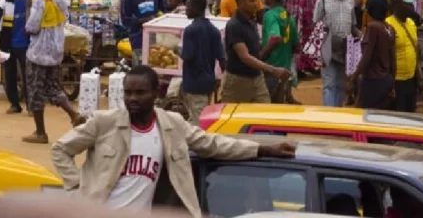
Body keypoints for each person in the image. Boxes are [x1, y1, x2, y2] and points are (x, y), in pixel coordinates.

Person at [50, 65, 295, 216]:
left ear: (155, 94)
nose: (132, 98)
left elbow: (213, 144)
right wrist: (75, 189)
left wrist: (262, 149)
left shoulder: (172, 125)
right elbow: (61, 150)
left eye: (140, 92)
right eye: (128, 92)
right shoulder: (103, 123)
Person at [23, 0, 85, 143]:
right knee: (52, 87)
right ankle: (73, 114)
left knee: (36, 91)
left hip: (38, 52)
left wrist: (28, 10)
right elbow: (64, 19)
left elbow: (31, 27)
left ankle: (40, 132)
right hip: (55, 51)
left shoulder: (38, 1)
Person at [221, 0, 290, 103]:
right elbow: (245, 57)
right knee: (234, 116)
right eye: (252, 1)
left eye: (256, 0)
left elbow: (255, 51)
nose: (256, 4)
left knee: (264, 115)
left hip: (257, 78)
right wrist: (272, 70)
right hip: (237, 81)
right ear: (240, 3)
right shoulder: (234, 25)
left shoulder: (252, 22)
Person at [314, 0, 359, 107]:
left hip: (346, 47)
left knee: (340, 83)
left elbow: (353, 25)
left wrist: (360, 36)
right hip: (328, 46)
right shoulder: (322, 1)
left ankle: (337, 111)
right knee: (329, 82)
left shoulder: (350, 1)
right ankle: (328, 113)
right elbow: (315, 24)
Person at [180, 0, 225, 122]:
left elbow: (187, 56)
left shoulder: (190, 30)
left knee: (199, 119)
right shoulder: (214, 30)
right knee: (199, 113)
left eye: (188, 7)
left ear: (196, 8)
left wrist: (177, 51)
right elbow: (222, 58)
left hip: (194, 81)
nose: (186, 10)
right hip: (208, 81)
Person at [349, 0, 396, 109]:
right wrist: (393, 83)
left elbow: (367, 57)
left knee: (362, 115)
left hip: (373, 80)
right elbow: (393, 59)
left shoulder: (373, 27)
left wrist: (353, 78)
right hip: (386, 80)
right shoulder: (389, 29)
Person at [261, 0, 299, 104]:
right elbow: (297, 45)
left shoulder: (270, 15)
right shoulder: (288, 15)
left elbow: (275, 38)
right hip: (285, 68)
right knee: (279, 104)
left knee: (268, 104)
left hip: (272, 66)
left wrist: (262, 55)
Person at [122, 0, 165, 64]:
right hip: (137, 36)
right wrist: (143, 20)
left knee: (155, 62)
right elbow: (125, 20)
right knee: (139, 63)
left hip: (155, 35)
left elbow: (163, 10)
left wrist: (158, 17)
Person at [388, 0, 418, 112]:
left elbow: (415, 47)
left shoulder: (411, 23)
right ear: (397, 6)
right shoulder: (389, 24)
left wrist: (418, 73)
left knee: (410, 113)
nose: (412, 7)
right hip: (396, 80)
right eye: (408, 4)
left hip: (411, 78)